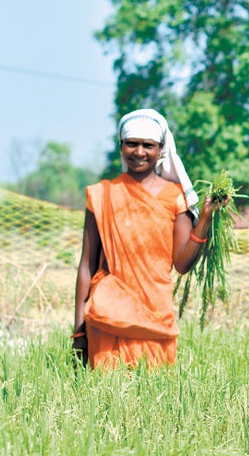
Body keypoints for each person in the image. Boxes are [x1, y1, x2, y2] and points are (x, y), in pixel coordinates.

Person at [71, 109, 223, 370]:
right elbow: (87, 265)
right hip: (108, 318)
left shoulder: (175, 197)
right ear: (121, 146)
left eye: (148, 145)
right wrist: (78, 331)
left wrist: (206, 217)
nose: (139, 152)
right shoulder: (101, 195)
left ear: (161, 150)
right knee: (106, 400)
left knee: (154, 397)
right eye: (132, 143)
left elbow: (182, 264)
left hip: (155, 316)